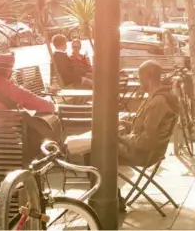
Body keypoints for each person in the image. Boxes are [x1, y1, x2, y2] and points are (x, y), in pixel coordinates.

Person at [72, 60, 180, 212]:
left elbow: (145, 141)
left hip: (144, 153)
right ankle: (114, 199)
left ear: (149, 76)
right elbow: (143, 128)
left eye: (140, 77)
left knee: (93, 155)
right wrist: (125, 124)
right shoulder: (158, 96)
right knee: (96, 152)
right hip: (147, 150)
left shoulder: (158, 102)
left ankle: (112, 202)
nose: (139, 81)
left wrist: (119, 137)